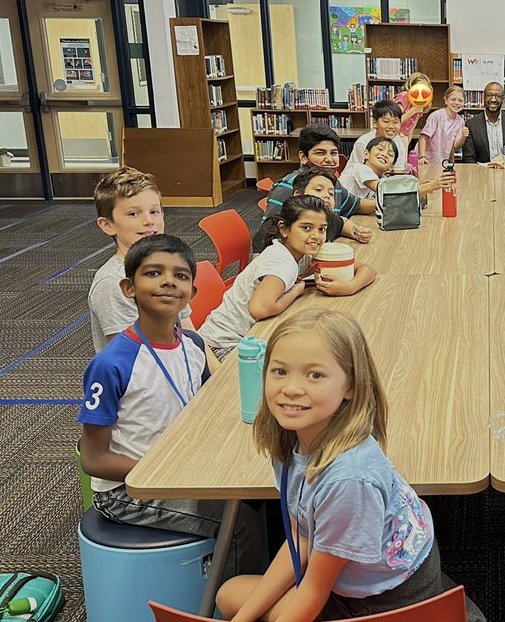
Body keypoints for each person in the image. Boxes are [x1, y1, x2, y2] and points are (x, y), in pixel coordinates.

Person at [215, 309, 484, 621]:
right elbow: (303, 537)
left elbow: (314, 590)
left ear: (351, 387)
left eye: (314, 375)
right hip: (353, 576)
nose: (290, 388)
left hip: (387, 600)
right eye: (279, 371)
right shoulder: (292, 437)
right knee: (230, 595)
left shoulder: (349, 481)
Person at [79, 234, 264, 575]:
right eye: (152, 273)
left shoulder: (193, 345)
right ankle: (238, 606)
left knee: (266, 501)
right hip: (128, 491)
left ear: (191, 294)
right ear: (128, 287)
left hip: (180, 468)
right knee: (241, 525)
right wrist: (165, 470)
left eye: (180, 275)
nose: (168, 281)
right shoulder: (112, 363)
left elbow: (211, 407)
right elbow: (94, 459)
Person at [199, 196, 376, 361]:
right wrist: (296, 291)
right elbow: (260, 308)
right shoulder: (282, 262)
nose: (316, 235)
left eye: (321, 229)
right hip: (222, 345)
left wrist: (350, 286)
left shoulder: (305, 251)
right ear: (284, 230)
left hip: (242, 337)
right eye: (306, 228)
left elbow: (367, 269)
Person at [89, 167, 193, 353]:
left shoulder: (170, 265)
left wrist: (217, 377)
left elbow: (189, 332)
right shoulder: (113, 283)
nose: (148, 221)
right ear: (108, 225)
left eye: (154, 212)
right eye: (133, 214)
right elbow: (134, 358)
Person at [263, 123, 372, 241]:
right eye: (320, 153)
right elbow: (266, 234)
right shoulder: (288, 186)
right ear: (303, 157)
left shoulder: (331, 182)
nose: (329, 159)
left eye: (334, 153)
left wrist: (388, 202)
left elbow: (356, 205)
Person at [254, 168, 372, 254]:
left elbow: (343, 223)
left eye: (331, 193)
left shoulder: (326, 220)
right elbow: (257, 273)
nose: (326, 195)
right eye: (318, 190)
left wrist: (357, 232)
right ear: (298, 195)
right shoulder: (273, 226)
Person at [341, 136, 452, 201]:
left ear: (391, 166)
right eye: (380, 149)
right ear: (366, 154)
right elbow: (386, 191)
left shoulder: (380, 178)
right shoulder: (360, 168)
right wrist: (430, 187)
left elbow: (395, 188)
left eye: (390, 154)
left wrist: (421, 186)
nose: (384, 154)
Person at [462, 81, 505, 165]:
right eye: (489, 95)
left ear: (503, 99)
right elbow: (468, 159)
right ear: (484, 97)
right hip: (481, 173)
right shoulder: (471, 125)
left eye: (498, 96)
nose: (493, 99)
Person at [417, 86, 469, 176]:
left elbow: (456, 145)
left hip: (441, 162)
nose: (457, 103)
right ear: (446, 101)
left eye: (460, 100)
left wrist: (464, 136)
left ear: (464, 103)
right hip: (425, 159)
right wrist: (422, 156)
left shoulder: (460, 121)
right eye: (453, 99)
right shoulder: (436, 116)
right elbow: (423, 138)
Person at [350, 100, 409, 173]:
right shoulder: (363, 143)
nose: (391, 126)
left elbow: (398, 171)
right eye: (386, 121)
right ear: (375, 123)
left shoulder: (399, 143)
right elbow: (358, 172)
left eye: (395, 122)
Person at [393, 72, 433, 140]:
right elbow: (393, 121)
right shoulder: (404, 96)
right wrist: (413, 110)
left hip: (403, 138)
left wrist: (406, 146)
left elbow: (411, 130)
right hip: (392, 137)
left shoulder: (421, 103)